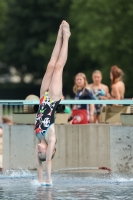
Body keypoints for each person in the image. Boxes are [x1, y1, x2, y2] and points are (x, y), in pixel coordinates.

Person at [34, 20, 71, 185]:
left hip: (43, 97)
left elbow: (38, 165)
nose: (38, 151)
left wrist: (40, 180)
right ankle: (67, 37)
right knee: (58, 67)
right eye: (41, 152)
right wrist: (48, 180)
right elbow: (47, 162)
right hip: (54, 98)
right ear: (48, 150)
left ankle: (59, 35)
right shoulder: (51, 137)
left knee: (50, 66)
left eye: (39, 153)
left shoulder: (37, 135)